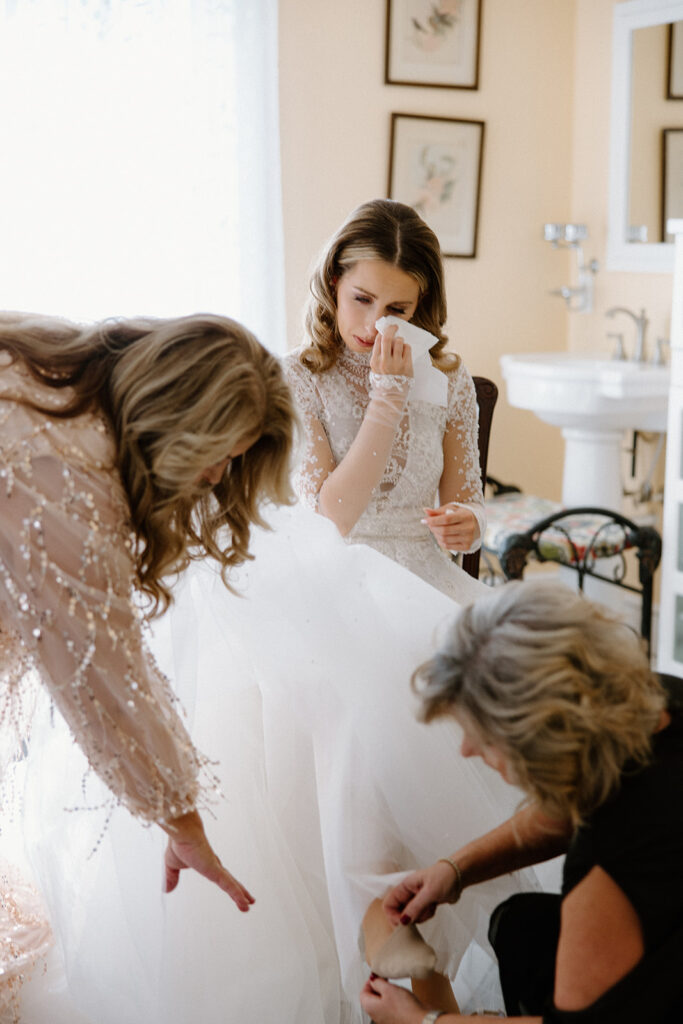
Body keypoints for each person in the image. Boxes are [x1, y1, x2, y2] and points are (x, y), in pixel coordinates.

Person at [0, 310, 295, 1012]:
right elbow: (106, 675)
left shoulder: (50, 371)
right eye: (223, 452)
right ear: (179, 416)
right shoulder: (69, 477)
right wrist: (184, 826)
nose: (219, 474)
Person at [360, 579, 683, 1024]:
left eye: (480, 732)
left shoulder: (606, 878)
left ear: (539, 737)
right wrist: (454, 871)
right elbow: (567, 817)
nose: (466, 750)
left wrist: (424, 1021)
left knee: (525, 935)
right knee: (522, 924)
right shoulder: (661, 704)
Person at [283, 198, 487, 605]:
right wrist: (389, 398)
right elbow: (332, 518)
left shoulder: (449, 378)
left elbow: (467, 502)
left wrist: (471, 525)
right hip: (335, 587)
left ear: (419, 306)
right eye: (362, 299)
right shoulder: (297, 377)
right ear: (334, 282)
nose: (375, 324)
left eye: (397, 309)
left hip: (425, 584)